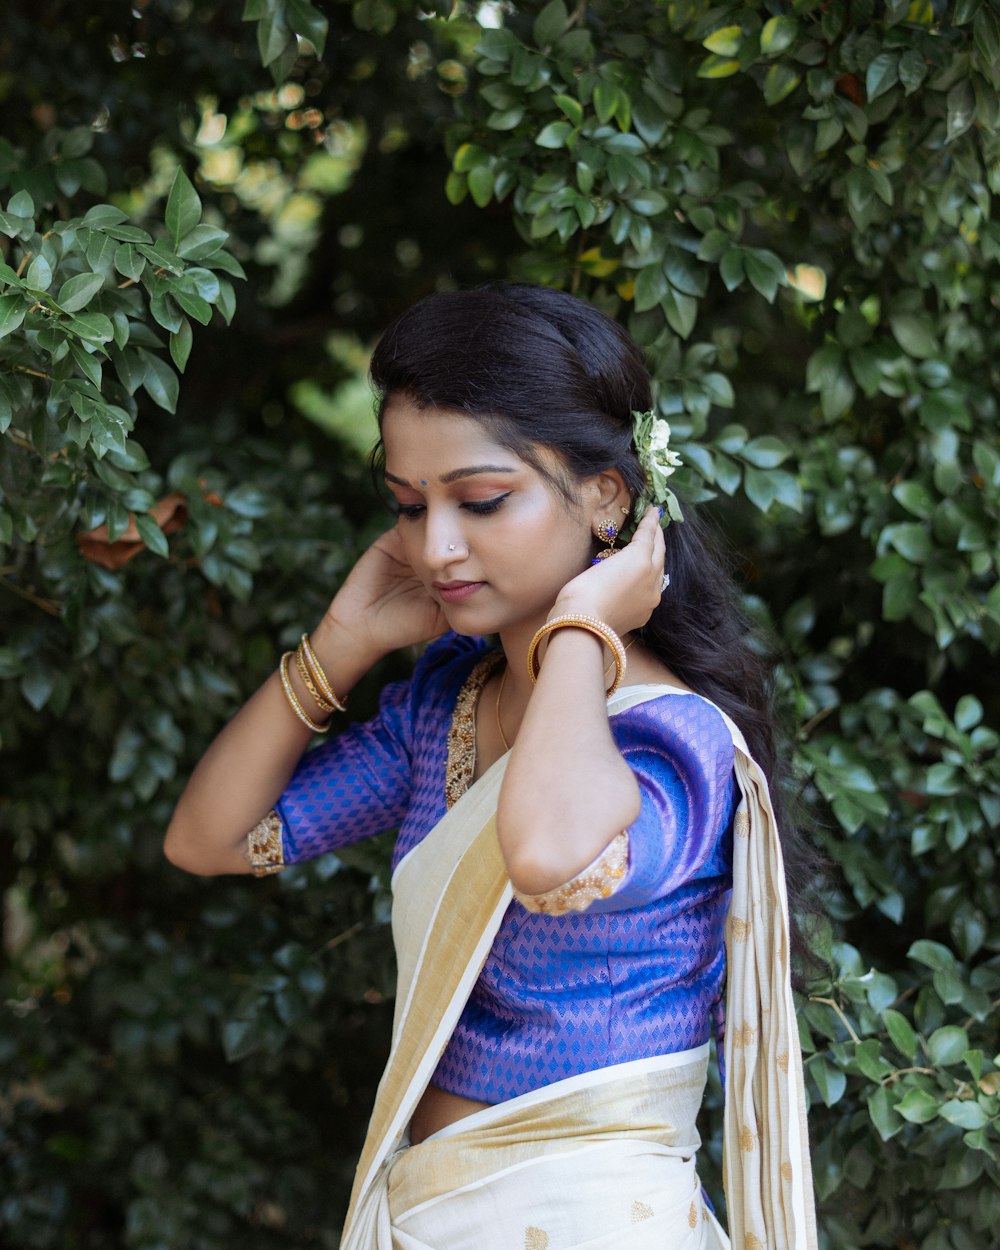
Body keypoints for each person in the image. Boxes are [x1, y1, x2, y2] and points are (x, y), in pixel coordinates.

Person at [164, 283, 818, 1250]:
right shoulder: (449, 707)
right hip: (425, 1212)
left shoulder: (670, 739)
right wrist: (341, 643)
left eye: (480, 501)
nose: (434, 546)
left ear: (607, 497)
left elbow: (548, 850)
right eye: (406, 505)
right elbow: (210, 841)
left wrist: (583, 629)